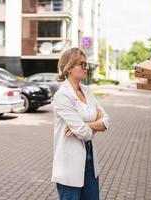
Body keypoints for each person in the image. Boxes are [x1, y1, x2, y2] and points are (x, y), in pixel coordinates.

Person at [51, 47, 110, 200]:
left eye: (87, 64)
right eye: (82, 64)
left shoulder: (87, 91)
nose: (86, 68)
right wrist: (94, 123)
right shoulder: (62, 96)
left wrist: (87, 124)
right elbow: (84, 133)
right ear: (69, 67)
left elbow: (106, 121)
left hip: (90, 160)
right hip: (69, 164)